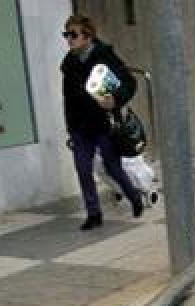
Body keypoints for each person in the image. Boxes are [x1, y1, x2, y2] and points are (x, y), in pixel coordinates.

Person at [60, 14, 143, 231]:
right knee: (83, 169)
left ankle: (134, 197)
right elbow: (68, 99)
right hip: (79, 126)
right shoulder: (69, 63)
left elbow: (129, 82)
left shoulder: (104, 56)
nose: (69, 39)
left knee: (112, 167)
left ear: (88, 36)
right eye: (66, 35)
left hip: (102, 123)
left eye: (73, 34)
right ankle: (93, 213)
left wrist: (115, 100)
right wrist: (70, 127)